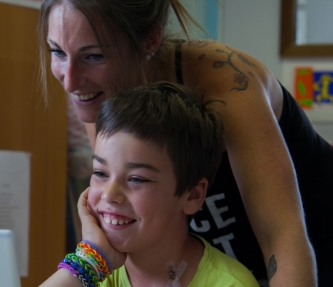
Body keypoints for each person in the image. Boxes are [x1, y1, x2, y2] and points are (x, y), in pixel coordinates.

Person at [37, 0, 333, 285]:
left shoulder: (224, 82)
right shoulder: (98, 96)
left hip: (325, 242)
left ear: (150, 39)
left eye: (94, 56)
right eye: (57, 52)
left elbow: (281, 236)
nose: (70, 80)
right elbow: (122, 218)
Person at [42, 82, 259, 287]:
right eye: (100, 173)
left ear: (192, 195)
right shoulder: (94, 270)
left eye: (136, 179)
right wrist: (89, 262)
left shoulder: (230, 283)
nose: (109, 195)